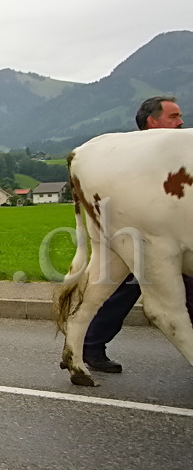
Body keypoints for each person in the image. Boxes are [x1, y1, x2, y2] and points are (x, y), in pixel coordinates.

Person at [82, 95, 193, 373]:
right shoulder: (133, 158)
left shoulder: (180, 155)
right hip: (143, 232)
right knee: (124, 288)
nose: (181, 122)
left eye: (180, 116)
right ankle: (91, 345)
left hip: (175, 233)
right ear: (151, 122)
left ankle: (91, 345)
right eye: (173, 117)